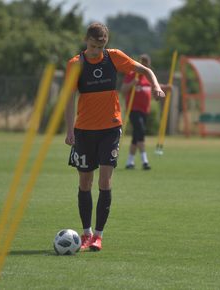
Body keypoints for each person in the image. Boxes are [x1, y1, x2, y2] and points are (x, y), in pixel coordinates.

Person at [64, 22, 165, 252]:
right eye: (91, 46)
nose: (95, 52)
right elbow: (69, 100)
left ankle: (98, 236)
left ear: (105, 43)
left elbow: (145, 70)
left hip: (110, 129)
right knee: (85, 182)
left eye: (99, 47)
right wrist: (70, 130)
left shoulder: (115, 57)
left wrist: (156, 86)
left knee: (105, 181)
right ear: (85, 41)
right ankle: (86, 233)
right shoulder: (75, 64)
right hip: (84, 131)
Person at [121, 54, 171, 170]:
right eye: (143, 62)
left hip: (144, 110)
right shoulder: (131, 75)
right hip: (133, 109)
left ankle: (130, 162)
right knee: (141, 131)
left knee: (136, 136)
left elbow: (155, 87)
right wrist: (131, 84)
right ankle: (145, 161)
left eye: (147, 62)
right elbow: (123, 90)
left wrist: (165, 88)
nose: (145, 65)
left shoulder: (148, 76)